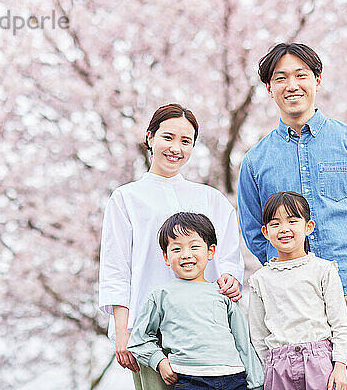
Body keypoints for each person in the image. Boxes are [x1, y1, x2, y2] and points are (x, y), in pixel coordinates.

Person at [238, 43, 347, 390]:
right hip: (295, 307)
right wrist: (288, 274)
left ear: (317, 80)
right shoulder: (256, 161)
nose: (291, 85)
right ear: (269, 88)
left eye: (300, 75)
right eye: (281, 78)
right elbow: (253, 228)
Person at [99, 104, 245, 390]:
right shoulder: (126, 198)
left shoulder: (211, 199)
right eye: (168, 137)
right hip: (149, 334)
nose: (176, 148)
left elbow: (228, 257)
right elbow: (117, 269)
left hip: (206, 337)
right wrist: (123, 333)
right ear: (150, 137)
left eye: (185, 141)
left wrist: (231, 278)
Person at [127, 212, 264, 390]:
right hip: (190, 380)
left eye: (194, 247)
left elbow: (243, 341)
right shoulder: (161, 295)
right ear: (166, 257)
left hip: (234, 378)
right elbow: (139, 339)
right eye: (176, 249)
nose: (186, 255)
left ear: (210, 251)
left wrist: (256, 384)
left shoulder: (223, 292)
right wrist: (160, 362)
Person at [248, 191, 347, 390]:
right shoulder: (259, 280)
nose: (284, 229)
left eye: (292, 221)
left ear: (308, 227)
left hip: (320, 362)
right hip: (278, 367)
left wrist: (339, 366)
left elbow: (340, 323)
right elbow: (258, 335)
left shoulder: (323, 270)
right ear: (266, 232)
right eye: (275, 223)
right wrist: (266, 371)